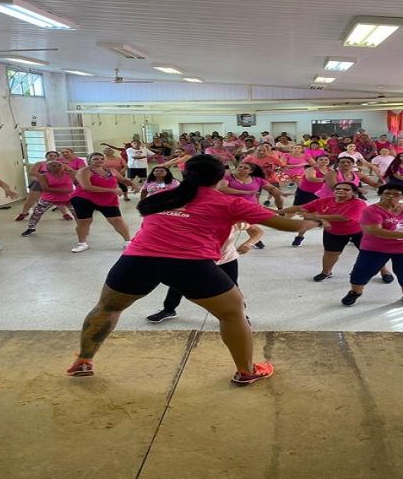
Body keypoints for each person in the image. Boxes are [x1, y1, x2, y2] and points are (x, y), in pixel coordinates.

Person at [66, 155, 323, 385]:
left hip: (137, 260)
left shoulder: (161, 197)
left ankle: (83, 361)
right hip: (189, 265)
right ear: (221, 177)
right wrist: (315, 220)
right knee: (233, 313)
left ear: (185, 174)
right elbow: (287, 226)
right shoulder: (230, 203)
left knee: (108, 308)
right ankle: (246, 371)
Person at [146, 222, 263, 323]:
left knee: (233, 288)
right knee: (179, 284)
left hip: (226, 258)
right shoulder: (192, 221)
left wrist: (248, 244)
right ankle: (168, 310)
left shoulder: (233, 220)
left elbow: (257, 232)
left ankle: (240, 316)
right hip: (198, 259)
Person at [279, 182, 394, 283]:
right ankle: (326, 272)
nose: (341, 191)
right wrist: (277, 211)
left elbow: (344, 218)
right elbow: (300, 208)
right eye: (338, 189)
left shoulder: (359, 203)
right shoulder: (324, 201)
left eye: (346, 189)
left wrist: (316, 216)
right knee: (330, 253)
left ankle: (385, 272)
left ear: (353, 192)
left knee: (370, 253)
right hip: (334, 232)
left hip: (359, 231)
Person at [69, 152, 138, 253]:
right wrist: (112, 190)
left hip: (108, 199)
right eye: (95, 159)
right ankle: (82, 243)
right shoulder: (84, 171)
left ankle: (128, 242)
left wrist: (133, 184)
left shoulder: (111, 170)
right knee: (84, 221)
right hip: (83, 199)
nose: (99, 161)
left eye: (101, 159)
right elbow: (87, 187)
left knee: (117, 220)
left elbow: (123, 180)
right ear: (89, 160)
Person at [21, 161, 76, 237]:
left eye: (59, 165)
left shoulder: (69, 174)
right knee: (37, 213)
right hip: (49, 198)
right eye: (53, 166)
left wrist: (70, 190)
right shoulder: (43, 176)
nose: (57, 167)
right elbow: (45, 188)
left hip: (68, 197)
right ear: (48, 168)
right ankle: (31, 228)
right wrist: (65, 190)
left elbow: (75, 182)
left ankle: (82, 227)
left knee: (77, 213)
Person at [16, 151, 72, 221]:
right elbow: (32, 172)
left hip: (55, 184)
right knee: (31, 199)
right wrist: (44, 177)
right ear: (46, 156)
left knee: (59, 199)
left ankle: (65, 214)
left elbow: (71, 171)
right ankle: (24, 213)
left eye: (55, 156)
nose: (52, 157)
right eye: (50, 155)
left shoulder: (61, 165)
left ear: (57, 157)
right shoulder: (40, 163)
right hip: (39, 183)